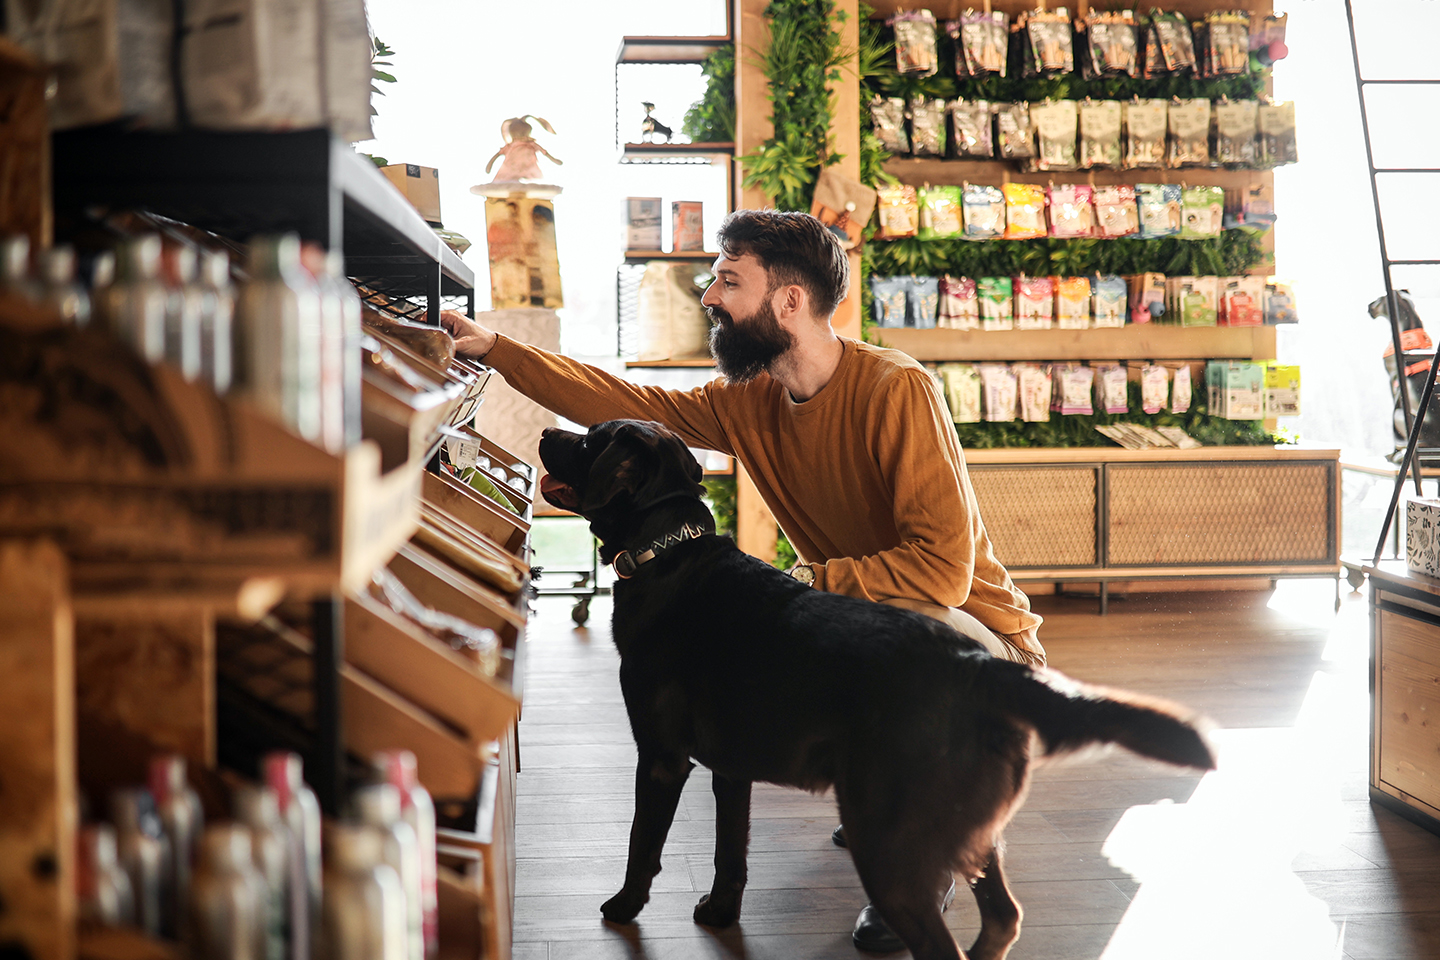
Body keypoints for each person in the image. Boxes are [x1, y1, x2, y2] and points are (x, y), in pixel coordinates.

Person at [441, 208, 1045, 951]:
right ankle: (885, 787)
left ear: (789, 301)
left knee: (903, 642)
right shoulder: (753, 401)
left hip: (977, 640)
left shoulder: (896, 389)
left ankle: (923, 859)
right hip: (871, 630)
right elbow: (634, 407)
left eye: (729, 280)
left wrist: (811, 581)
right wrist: (498, 349)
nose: (710, 297)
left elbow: (943, 572)